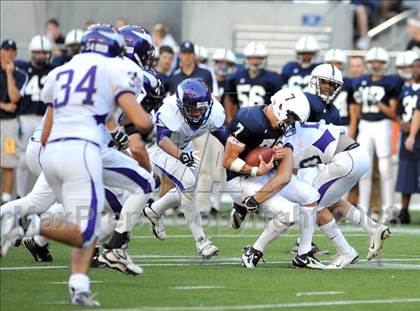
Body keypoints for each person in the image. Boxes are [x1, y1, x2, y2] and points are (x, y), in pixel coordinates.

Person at [1, 24, 152, 306]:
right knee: (136, 190)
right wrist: (147, 127)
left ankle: (79, 287)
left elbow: (48, 124)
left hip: (51, 149)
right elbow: (141, 122)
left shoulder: (62, 70)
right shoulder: (115, 69)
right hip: (83, 150)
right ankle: (28, 224)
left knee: (85, 222)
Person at [223, 88, 325, 270]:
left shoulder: (283, 125)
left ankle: (303, 253)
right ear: (280, 106)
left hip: (266, 174)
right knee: (289, 213)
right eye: (291, 116)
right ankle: (254, 250)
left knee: (311, 196)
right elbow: (228, 160)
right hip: (241, 179)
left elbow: (282, 162)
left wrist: (276, 156)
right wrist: (254, 170)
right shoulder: (249, 120)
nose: (291, 121)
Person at [143, 78, 226, 259]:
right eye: (192, 109)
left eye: (201, 108)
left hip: (185, 147)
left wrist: (240, 154)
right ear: (181, 105)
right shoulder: (169, 109)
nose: (197, 113)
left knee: (188, 190)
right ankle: (202, 241)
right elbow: (162, 140)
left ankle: (154, 210)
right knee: (187, 184)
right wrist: (181, 155)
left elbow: (224, 137)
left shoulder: (214, 112)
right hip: (160, 149)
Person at [349, 47, 402, 220]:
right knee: (364, 168)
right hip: (365, 124)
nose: (376, 65)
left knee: (385, 167)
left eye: (379, 62)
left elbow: (393, 113)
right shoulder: (360, 81)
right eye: (373, 62)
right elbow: (355, 109)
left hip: (383, 124)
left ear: (385, 64)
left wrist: (377, 102)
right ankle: (363, 208)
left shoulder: (391, 82)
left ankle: (389, 208)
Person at [15, 35, 54, 199]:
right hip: (26, 118)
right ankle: (20, 195)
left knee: (44, 159)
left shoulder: (54, 70)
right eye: (37, 52)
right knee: (23, 159)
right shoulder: (22, 68)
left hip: (45, 118)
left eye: (43, 52)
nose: (39, 55)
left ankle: (37, 196)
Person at [224, 41, 282, 124]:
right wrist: (229, 119)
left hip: (265, 122)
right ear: (246, 59)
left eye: (259, 58)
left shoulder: (273, 78)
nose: (255, 62)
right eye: (251, 58)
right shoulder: (236, 77)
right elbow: (229, 98)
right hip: (241, 120)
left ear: (264, 59)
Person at [0, 39, 27, 204]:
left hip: (9, 123)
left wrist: (9, 75)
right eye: (6, 49)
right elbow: (8, 103)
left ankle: (5, 200)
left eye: (12, 50)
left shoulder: (20, 74)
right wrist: (3, 105)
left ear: (15, 53)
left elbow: (15, 98)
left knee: (8, 162)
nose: (9, 53)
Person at [394, 57, 420, 223]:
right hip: (407, 136)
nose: (416, 70)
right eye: (414, 66)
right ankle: (404, 210)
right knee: (406, 171)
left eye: (418, 67)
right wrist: (401, 122)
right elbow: (397, 111)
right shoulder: (406, 90)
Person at [324, 49, 353, 132]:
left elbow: (354, 113)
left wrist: (351, 131)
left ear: (343, 65)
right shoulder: (320, 82)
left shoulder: (349, 84)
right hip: (323, 124)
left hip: (343, 125)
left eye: (338, 63)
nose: (334, 66)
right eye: (331, 63)